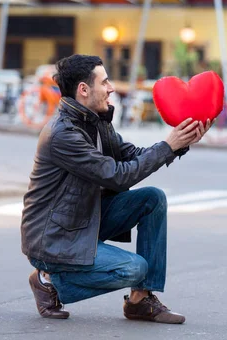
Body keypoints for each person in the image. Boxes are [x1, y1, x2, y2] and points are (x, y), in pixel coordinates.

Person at [21, 54, 212, 324]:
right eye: (105, 81)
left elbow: (133, 155)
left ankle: (140, 301)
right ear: (83, 90)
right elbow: (117, 177)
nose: (111, 88)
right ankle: (48, 280)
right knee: (135, 268)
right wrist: (168, 146)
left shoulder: (96, 122)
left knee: (152, 199)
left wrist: (182, 140)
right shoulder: (63, 134)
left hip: (83, 220)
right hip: (55, 237)